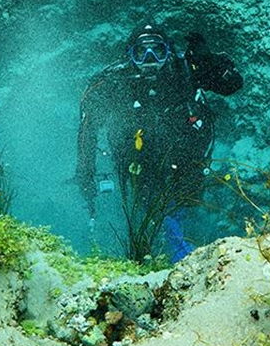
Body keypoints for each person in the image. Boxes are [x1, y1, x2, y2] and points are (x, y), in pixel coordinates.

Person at [76, 22, 242, 261]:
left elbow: (233, 84)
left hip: (186, 154)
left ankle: (178, 231)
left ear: (169, 52)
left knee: (186, 203)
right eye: (141, 53)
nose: (151, 59)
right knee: (150, 205)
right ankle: (169, 242)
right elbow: (88, 126)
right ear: (130, 57)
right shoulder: (117, 81)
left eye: (158, 51)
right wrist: (85, 173)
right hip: (138, 159)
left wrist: (211, 64)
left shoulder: (183, 72)